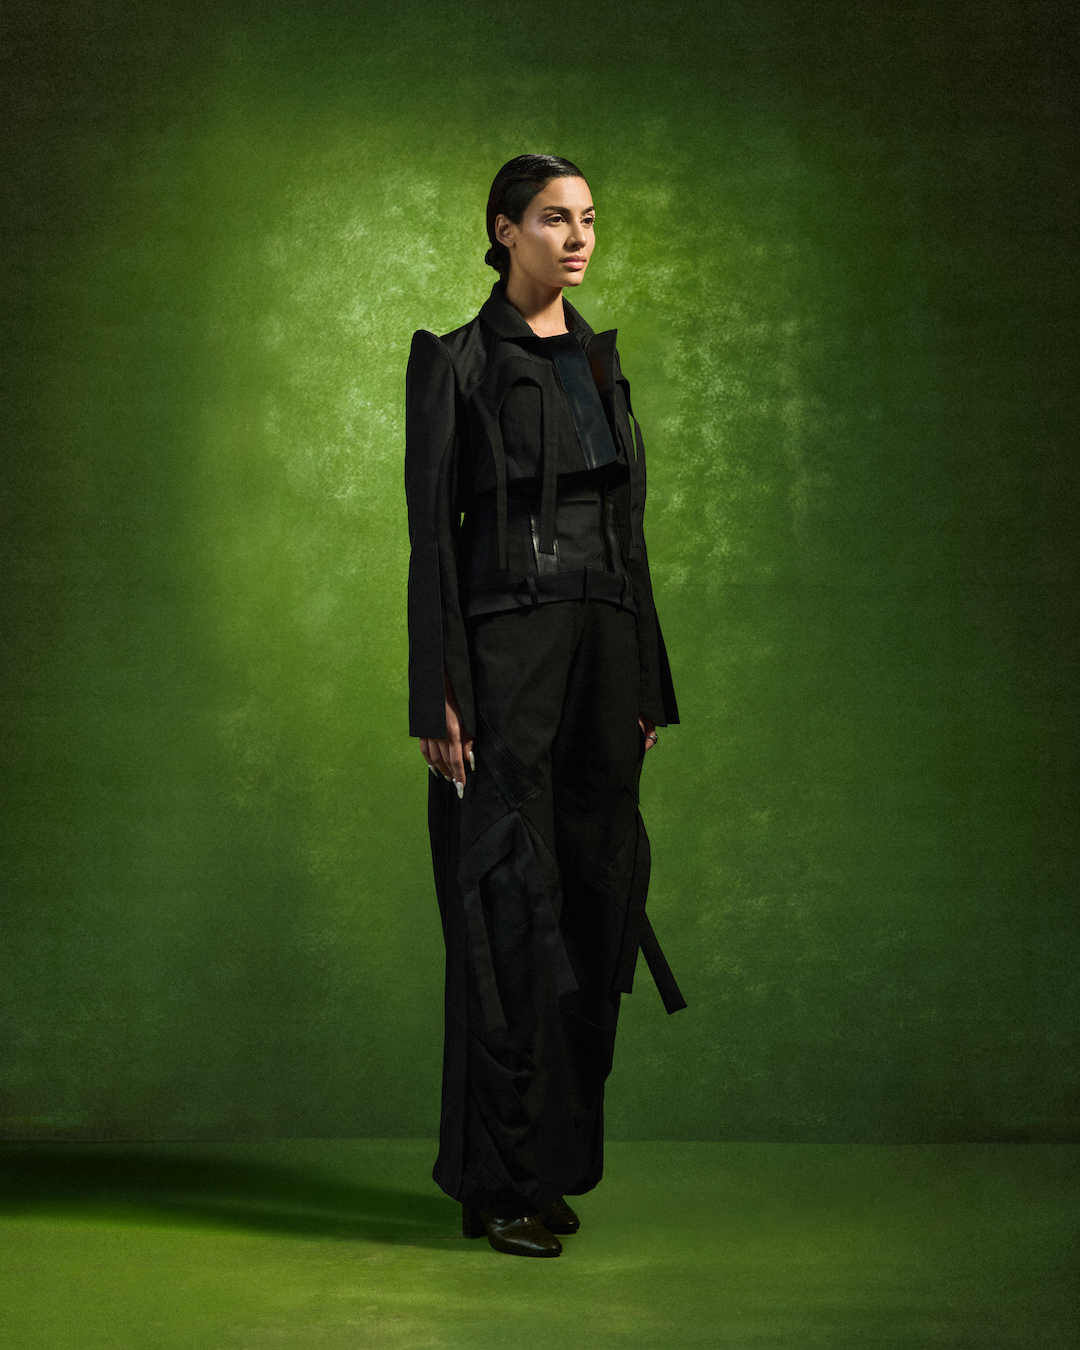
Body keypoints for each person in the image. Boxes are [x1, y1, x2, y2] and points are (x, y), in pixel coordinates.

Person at [405, 154, 684, 1258]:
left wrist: (646, 681)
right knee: (507, 904)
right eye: (554, 219)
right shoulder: (456, 362)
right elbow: (432, 535)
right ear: (503, 229)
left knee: (593, 900)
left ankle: (547, 1166)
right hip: (505, 653)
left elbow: (628, 533)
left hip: (605, 655)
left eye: (589, 219)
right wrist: (438, 690)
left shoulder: (600, 364)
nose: (577, 238)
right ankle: (498, 1181)